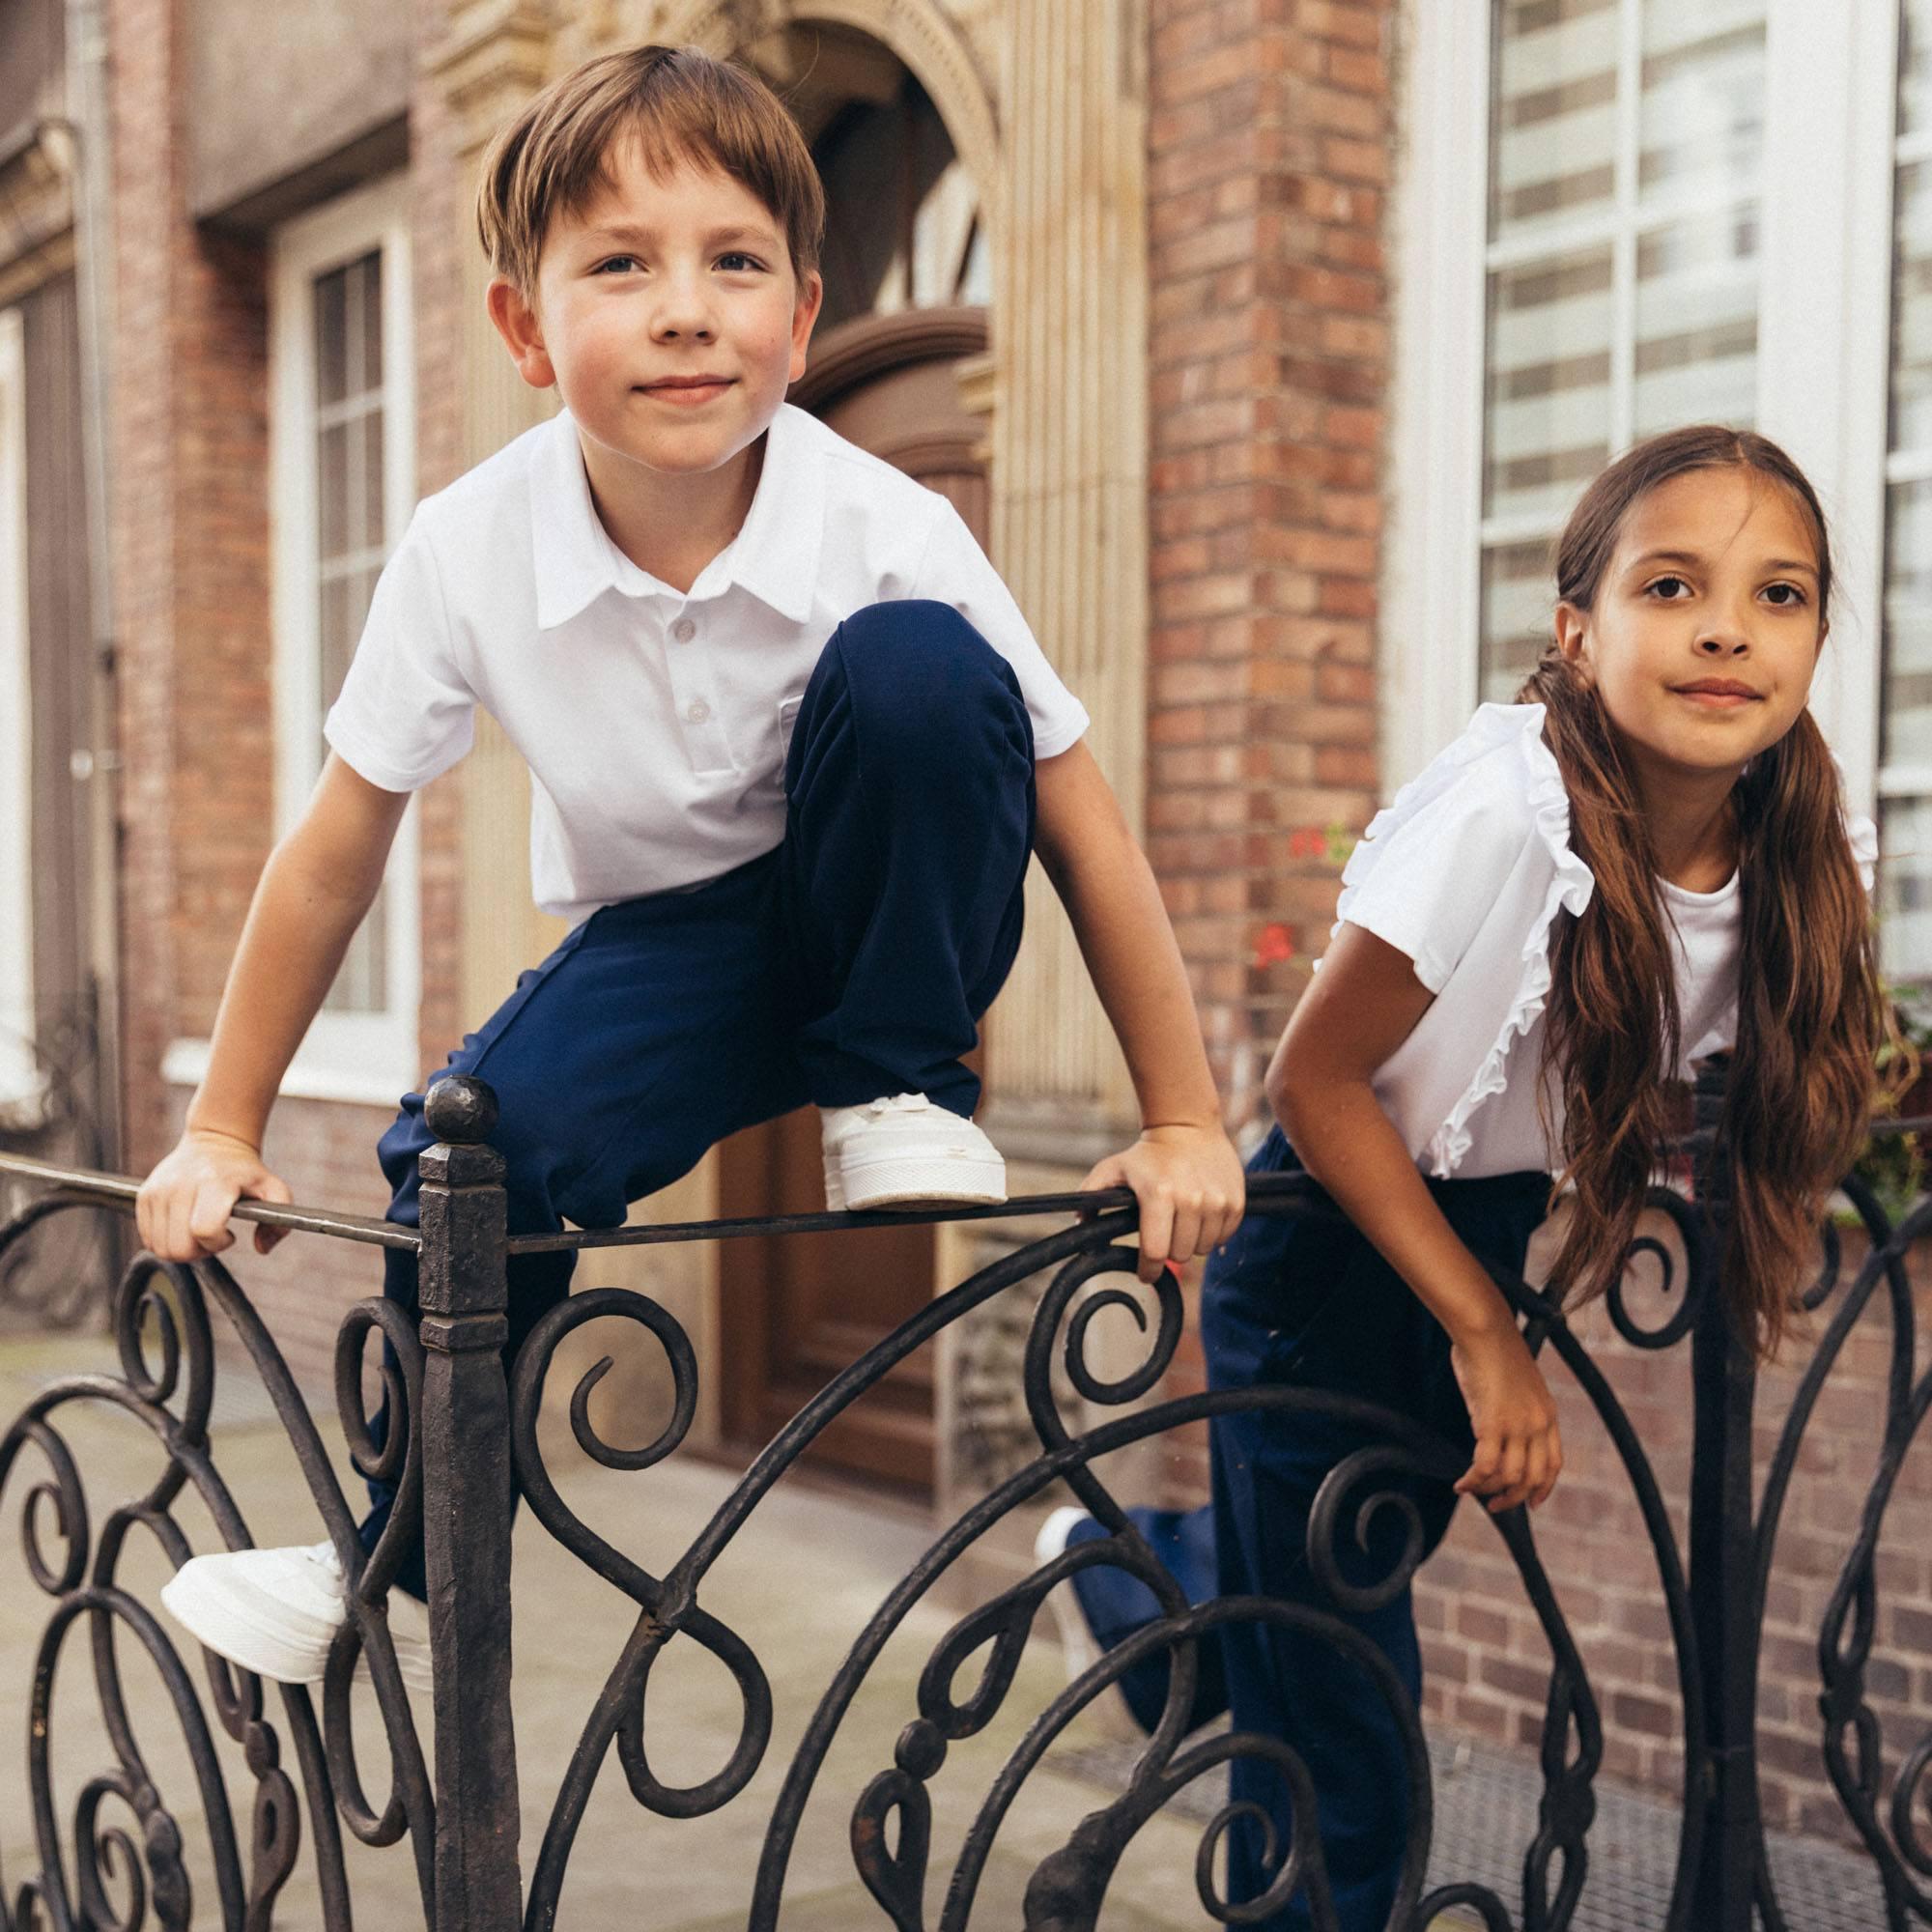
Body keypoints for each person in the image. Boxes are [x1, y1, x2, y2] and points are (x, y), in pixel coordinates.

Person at [136, 44, 1244, 1692]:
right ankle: (390, 1558)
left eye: (733, 264)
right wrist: (225, 1125)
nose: (684, 310)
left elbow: (1077, 820)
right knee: (463, 1160)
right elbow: (332, 850)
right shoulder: (466, 548)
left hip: (893, 912)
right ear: (525, 329)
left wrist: (1184, 1118)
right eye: (621, 265)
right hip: (674, 952)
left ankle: (893, 1091)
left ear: (800, 321)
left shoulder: (887, 521)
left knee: (929, 668)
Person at [1037, 425, 1887, 1929]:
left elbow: (1692, 1061)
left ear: (1820, 635)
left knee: (1319, 1601)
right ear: (1578, 629)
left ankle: (1125, 1570)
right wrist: (1486, 1340)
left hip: (1477, 1230)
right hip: (1327, 1239)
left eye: (1781, 597)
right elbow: (1316, 1079)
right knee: (1341, 1736)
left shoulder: (1794, 839)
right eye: (1674, 585)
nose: (1724, 631)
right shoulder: (1510, 810)